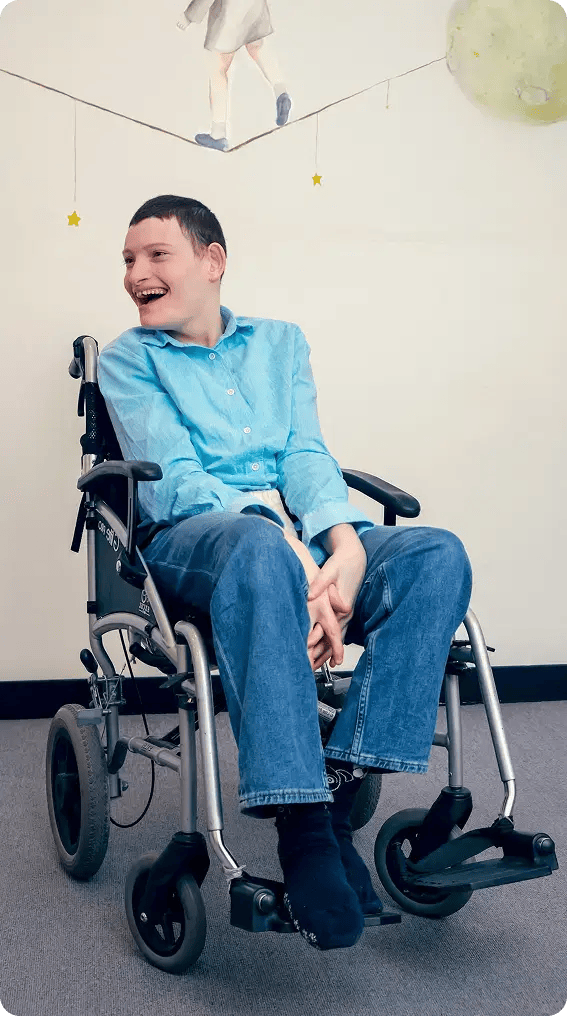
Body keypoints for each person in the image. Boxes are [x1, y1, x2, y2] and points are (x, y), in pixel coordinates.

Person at [97, 194, 473, 952]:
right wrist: (299, 558)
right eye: (128, 261)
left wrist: (345, 546)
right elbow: (178, 479)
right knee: (259, 547)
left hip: (299, 544)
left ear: (212, 261)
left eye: (154, 255)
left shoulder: (281, 343)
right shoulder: (127, 359)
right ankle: (303, 830)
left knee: (438, 555)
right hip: (195, 545)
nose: (136, 273)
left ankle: (337, 787)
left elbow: (305, 454)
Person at [176, 0, 291, 150]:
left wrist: (189, 16)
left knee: (218, 68)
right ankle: (281, 92)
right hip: (254, 7)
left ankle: (218, 134)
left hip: (229, 13)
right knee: (256, 46)